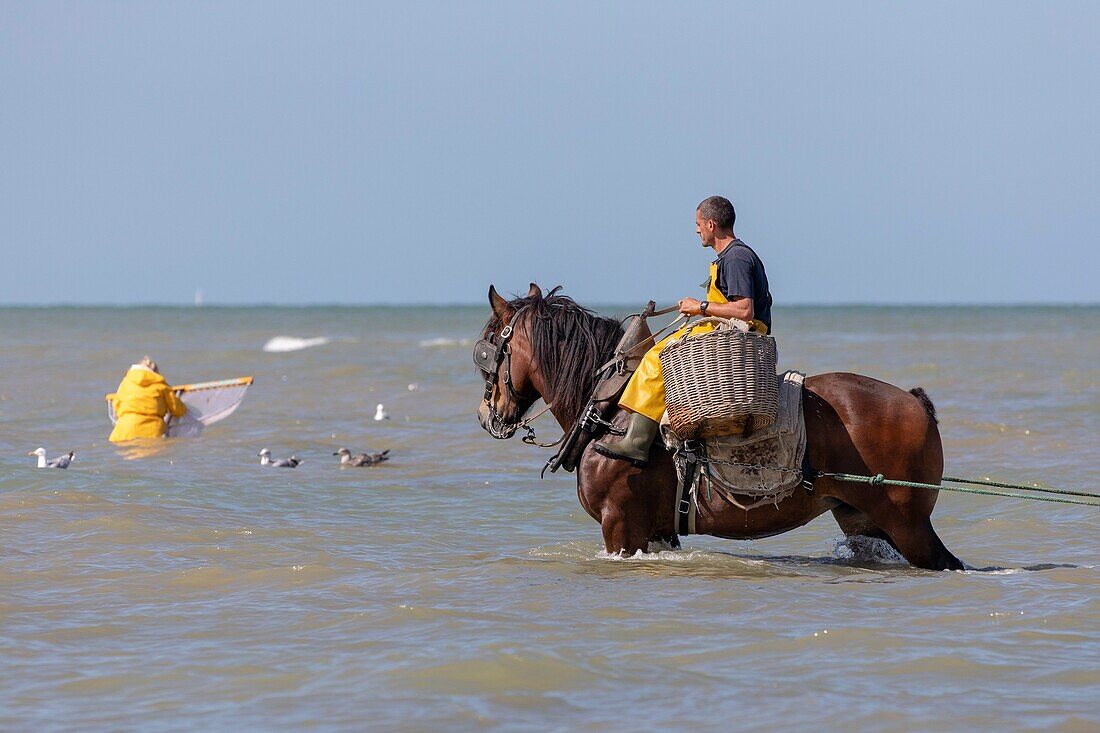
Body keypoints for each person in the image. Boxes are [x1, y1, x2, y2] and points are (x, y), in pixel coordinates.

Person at [595, 196, 773, 467]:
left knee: (658, 355)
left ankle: (637, 442)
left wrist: (700, 306)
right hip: (731, 330)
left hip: (738, 333)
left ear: (711, 224)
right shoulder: (730, 256)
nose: (696, 230)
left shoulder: (735, 257)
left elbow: (745, 310)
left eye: (698, 224)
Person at [108, 356, 187, 442]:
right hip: (151, 432)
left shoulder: (125, 384)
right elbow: (177, 410)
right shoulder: (161, 385)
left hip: (122, 432)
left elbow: (116, 405)